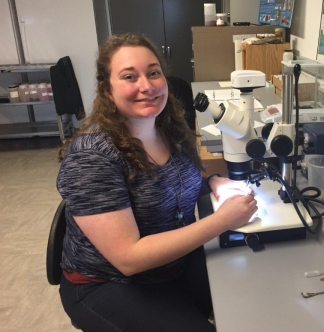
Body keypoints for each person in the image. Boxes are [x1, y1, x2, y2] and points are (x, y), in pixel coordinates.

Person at [56, 33, 258, 332]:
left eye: (153, 73)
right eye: (129, 76)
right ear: (107, 90)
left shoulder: (167, 128)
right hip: (107, 283)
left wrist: (212, 181)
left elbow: (176, 179)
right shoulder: (92, 156)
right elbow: (129, 258)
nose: (146, 86)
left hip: (169, 267)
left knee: (248, 295)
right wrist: (221, 221)